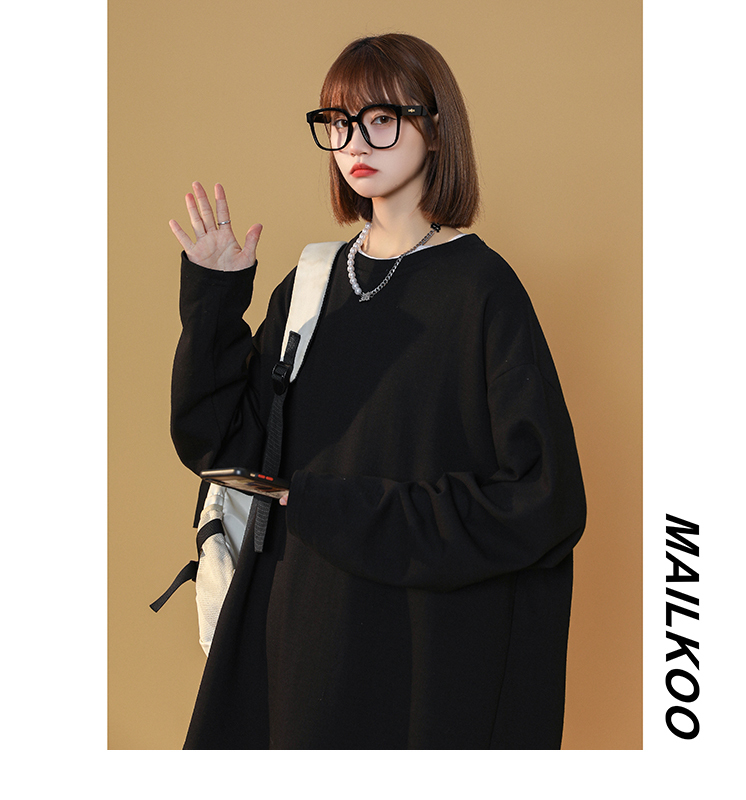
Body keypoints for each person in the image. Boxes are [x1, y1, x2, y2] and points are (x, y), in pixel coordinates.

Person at [168, 33, 586, 749]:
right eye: (338, 122)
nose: (355, 142)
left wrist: (342, 507)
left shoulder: (482, 290)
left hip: (422, 650)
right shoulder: (309, 285)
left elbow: (542, 502)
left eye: (381, 119)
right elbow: (223, 449)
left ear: (436, 128)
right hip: (300, 636)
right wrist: (215, 300)